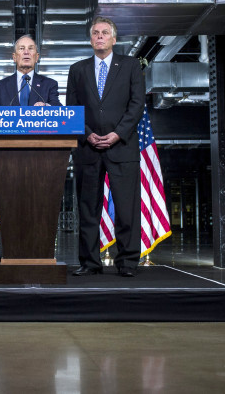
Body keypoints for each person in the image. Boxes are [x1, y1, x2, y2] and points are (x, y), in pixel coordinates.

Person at [66, 17, 146, 277]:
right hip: (88, 150)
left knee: (126, 208)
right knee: (88, 209)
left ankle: (128, 262)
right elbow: (72, 109)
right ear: (91, 39)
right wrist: (88, 135)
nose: (100, 36)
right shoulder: (77, 70)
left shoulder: (132, 66)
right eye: (95, 33)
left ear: (113, 39)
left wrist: (117, 134)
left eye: (104, 33)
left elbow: (137, 106)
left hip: (122, 147)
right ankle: (90, 263)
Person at [0, 35, 62, 106]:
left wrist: (46, 106)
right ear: (14, 57)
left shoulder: (49, 84)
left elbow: (58, 108)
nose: (26, 52)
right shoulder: (0, 86)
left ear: (37, 57)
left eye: (30, 48)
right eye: (21, 48)